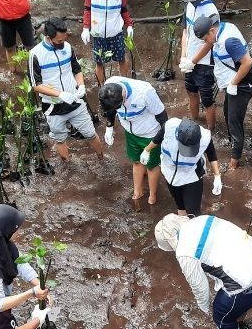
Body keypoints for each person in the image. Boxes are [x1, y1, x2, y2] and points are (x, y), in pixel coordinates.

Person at [154, 213, 252, 329]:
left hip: (248, 281)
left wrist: (205, 308)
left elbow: (199, 286)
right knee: (233, 307)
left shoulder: (184, 251)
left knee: (221, 314)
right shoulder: (203, 219)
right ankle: (237, 320)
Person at [29, 17, 104, 161]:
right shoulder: (35, 54)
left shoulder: (68, 47)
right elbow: (36, 86)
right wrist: (60, 94)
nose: (62, 43)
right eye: (59, 41)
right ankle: (68, 165)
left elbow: (77, 70)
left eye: (64, 39)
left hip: (74, 101)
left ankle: (102, 160)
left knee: (90, 133)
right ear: (48, 38)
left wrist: (81, 85)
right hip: (53, 107)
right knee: (60, 139)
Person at [192, 14, 252, 169]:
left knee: (234, 122)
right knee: (229, 115)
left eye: (206, 39)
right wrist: (192, 61)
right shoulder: (219, 31)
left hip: (241, 86)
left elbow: (247, 62)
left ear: (212, 31)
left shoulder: (229, 41)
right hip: (231, 84)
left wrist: (234, 83)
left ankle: (234, 164)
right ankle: (233, 144)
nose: (206, 43)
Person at [98, 76, 168, 209]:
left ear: (124, 97)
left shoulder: (145, 92)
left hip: (150, 133)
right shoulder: (108, 86)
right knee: (136, 161)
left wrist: (154, 144)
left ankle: (152, 195)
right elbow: (110, 110)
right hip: (131, 133)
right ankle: (138, 190)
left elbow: (164, 120)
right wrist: (109, 127)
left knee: (151, 166)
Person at [144, 118, 222, 216]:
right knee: (180, 206)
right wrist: (146, 150)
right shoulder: (169, 127)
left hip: (191, 176)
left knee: (193, 211)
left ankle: (194, 227)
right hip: (170, 173)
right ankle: (183, 224)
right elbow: (158, 138)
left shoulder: (205, 137)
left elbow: (211, 154)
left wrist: (217, 176)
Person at [81, 0, 134, 86]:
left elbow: (123, 9)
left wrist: (129, 25)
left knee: (121, 59)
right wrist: (85, 28)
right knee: (99, 62)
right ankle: (102, 88)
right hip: (98, 33)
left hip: (115, 32)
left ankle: (125, 85)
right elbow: (87, 9)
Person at [178, 0, 219, 131]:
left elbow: (210, 41)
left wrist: (193, 61)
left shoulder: (211, 11)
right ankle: (194, 121)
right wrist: (184, 56)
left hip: (205, 63)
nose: (193, 1)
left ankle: (211, 130)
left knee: (207, 99)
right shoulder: (188, 5)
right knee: (191, 92)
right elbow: (185, 31)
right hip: (190, 59)